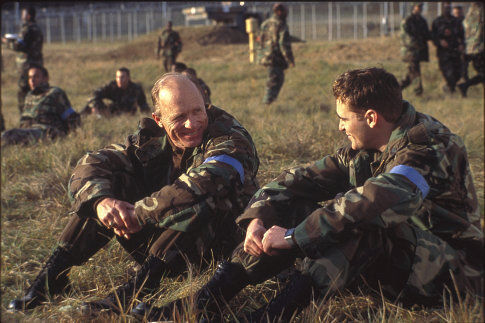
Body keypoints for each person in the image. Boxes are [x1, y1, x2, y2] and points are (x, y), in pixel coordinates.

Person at [138, 67, 483, 322]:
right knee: (296, 205)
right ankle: (206, 300)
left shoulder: (426, 146)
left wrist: (292, 237)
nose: (340, 127)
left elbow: (379, 200)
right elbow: (297, 179)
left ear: (372, 117)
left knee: (358, 219)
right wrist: (259, 218)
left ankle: (273, 315)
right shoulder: (372, 143)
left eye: (344, 118)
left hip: (458, 272)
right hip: (407, 261)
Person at [8, 73, 260, 315]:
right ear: (159, 119)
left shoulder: (229, 136)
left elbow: (206, 183)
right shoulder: (151, 140)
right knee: (106, 190)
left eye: (198, 111)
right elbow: (92, 162)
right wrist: (102, 203)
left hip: (218, 250)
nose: (192, 123)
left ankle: (139, 288)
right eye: (179, 116)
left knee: (195, 198)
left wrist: (137, 213)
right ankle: (53, 277)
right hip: (168, 249)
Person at [1, 65, 80, 146]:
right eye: (30, 77)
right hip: (28, 132)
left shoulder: (55, 93)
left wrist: (72, 137)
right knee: (5, 135)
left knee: (10, 135)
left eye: (36, 77)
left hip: (47, 132)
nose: (32, 80)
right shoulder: (29, 96)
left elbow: (71, 117)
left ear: (45, 78)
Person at [2, 6, 43, 113]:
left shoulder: (27, 28)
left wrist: (6, 42)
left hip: (27, 67)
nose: (22, 17)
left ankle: (25, 118)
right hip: (37, 65)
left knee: (23, 93)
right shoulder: (37, 28)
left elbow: (20, 46)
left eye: (23, 14)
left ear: (28, 15)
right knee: (37, 91)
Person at [257, 3, 295, 105]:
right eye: (285, 11)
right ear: (280, 12)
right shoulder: (281, 25)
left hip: (266, 57)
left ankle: (270, 102)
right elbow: (284, 44)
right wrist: (290, 60)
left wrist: (260, 57)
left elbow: (260, 40)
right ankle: (267, 104)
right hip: (275, 59)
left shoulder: (265, 23)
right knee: (275, 81)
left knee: (274, 80)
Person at [81, 67, 150, 116]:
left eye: (122, 77)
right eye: (117, 77)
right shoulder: (112, 86)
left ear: (128, 78)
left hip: (127, 114)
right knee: (89, 105)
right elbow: (95, 94)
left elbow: (144, 106)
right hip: (110, 112)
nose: (119, 80)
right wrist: (96, 106)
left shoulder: (136, 89)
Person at [432, 2, 465, 93]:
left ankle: (449, 87)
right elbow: (432, 36)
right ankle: (451, 91)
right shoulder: (437, 21)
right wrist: (439, 41)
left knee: (458, 73)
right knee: (449, 73)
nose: (447, 9)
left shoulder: (456, 21)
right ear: (442, 8)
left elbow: (461, 35)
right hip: (444, 53)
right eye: (445, 7)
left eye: (448, 7)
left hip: (455, 51)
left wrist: (461, 44)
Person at [399, 3, 431, 95]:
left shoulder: (422, 21)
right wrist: (416, 44)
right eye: (418, 6)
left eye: (421, 7)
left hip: (418, 52)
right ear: (413, 7)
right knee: (415, 72)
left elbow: (427, 35)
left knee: (410, 74)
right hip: (410, 52)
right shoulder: (408, 20)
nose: (420, 8)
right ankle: (418, 92)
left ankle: (395, 89)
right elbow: (405, 36)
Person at [458, 2, 484, 97]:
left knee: (482, 72)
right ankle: (465, 85)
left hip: (471, 47)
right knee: (482, 73)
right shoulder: (479, 11)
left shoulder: (470, 12)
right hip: (479, 48)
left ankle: (465, 85)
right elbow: (480, 30)